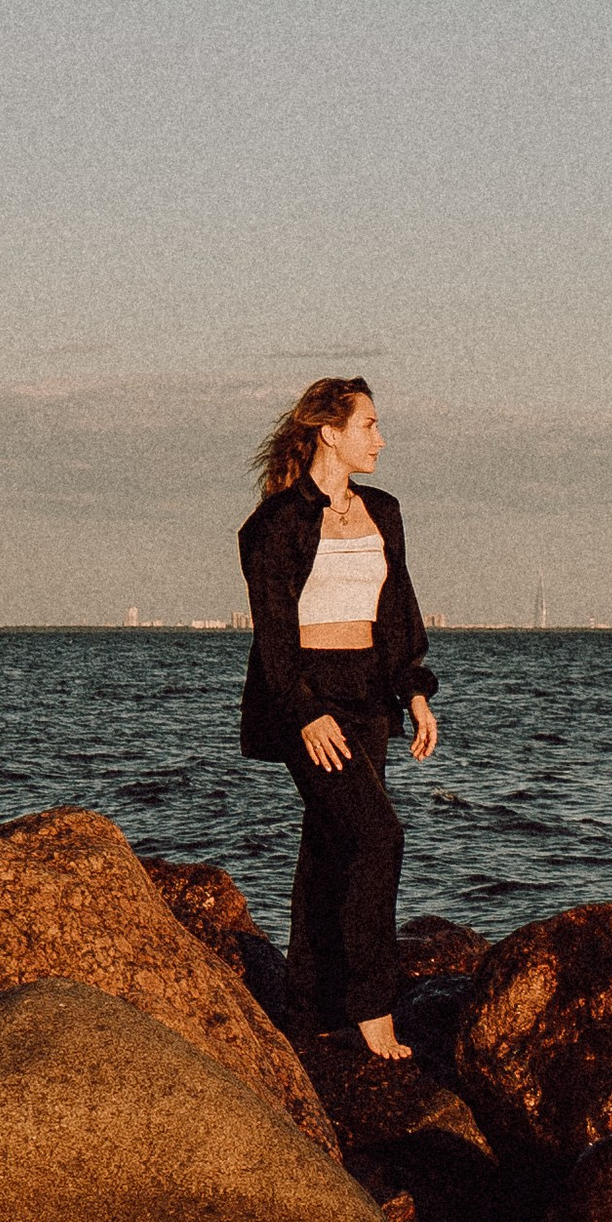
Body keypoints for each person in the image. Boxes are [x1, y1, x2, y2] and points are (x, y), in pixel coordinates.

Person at [237, 375, 439, 1060]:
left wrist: (414, 692)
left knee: (330, 848)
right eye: (369, 426)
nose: (380, 439)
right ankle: (371, 1007)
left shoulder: (384, 510)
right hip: (308, 695)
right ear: (330, 432)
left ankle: (310, 1006)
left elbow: (398, 611)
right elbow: (272, 634)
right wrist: (303, 712)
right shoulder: (275, 525)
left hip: (369, 696)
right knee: (378, 836)